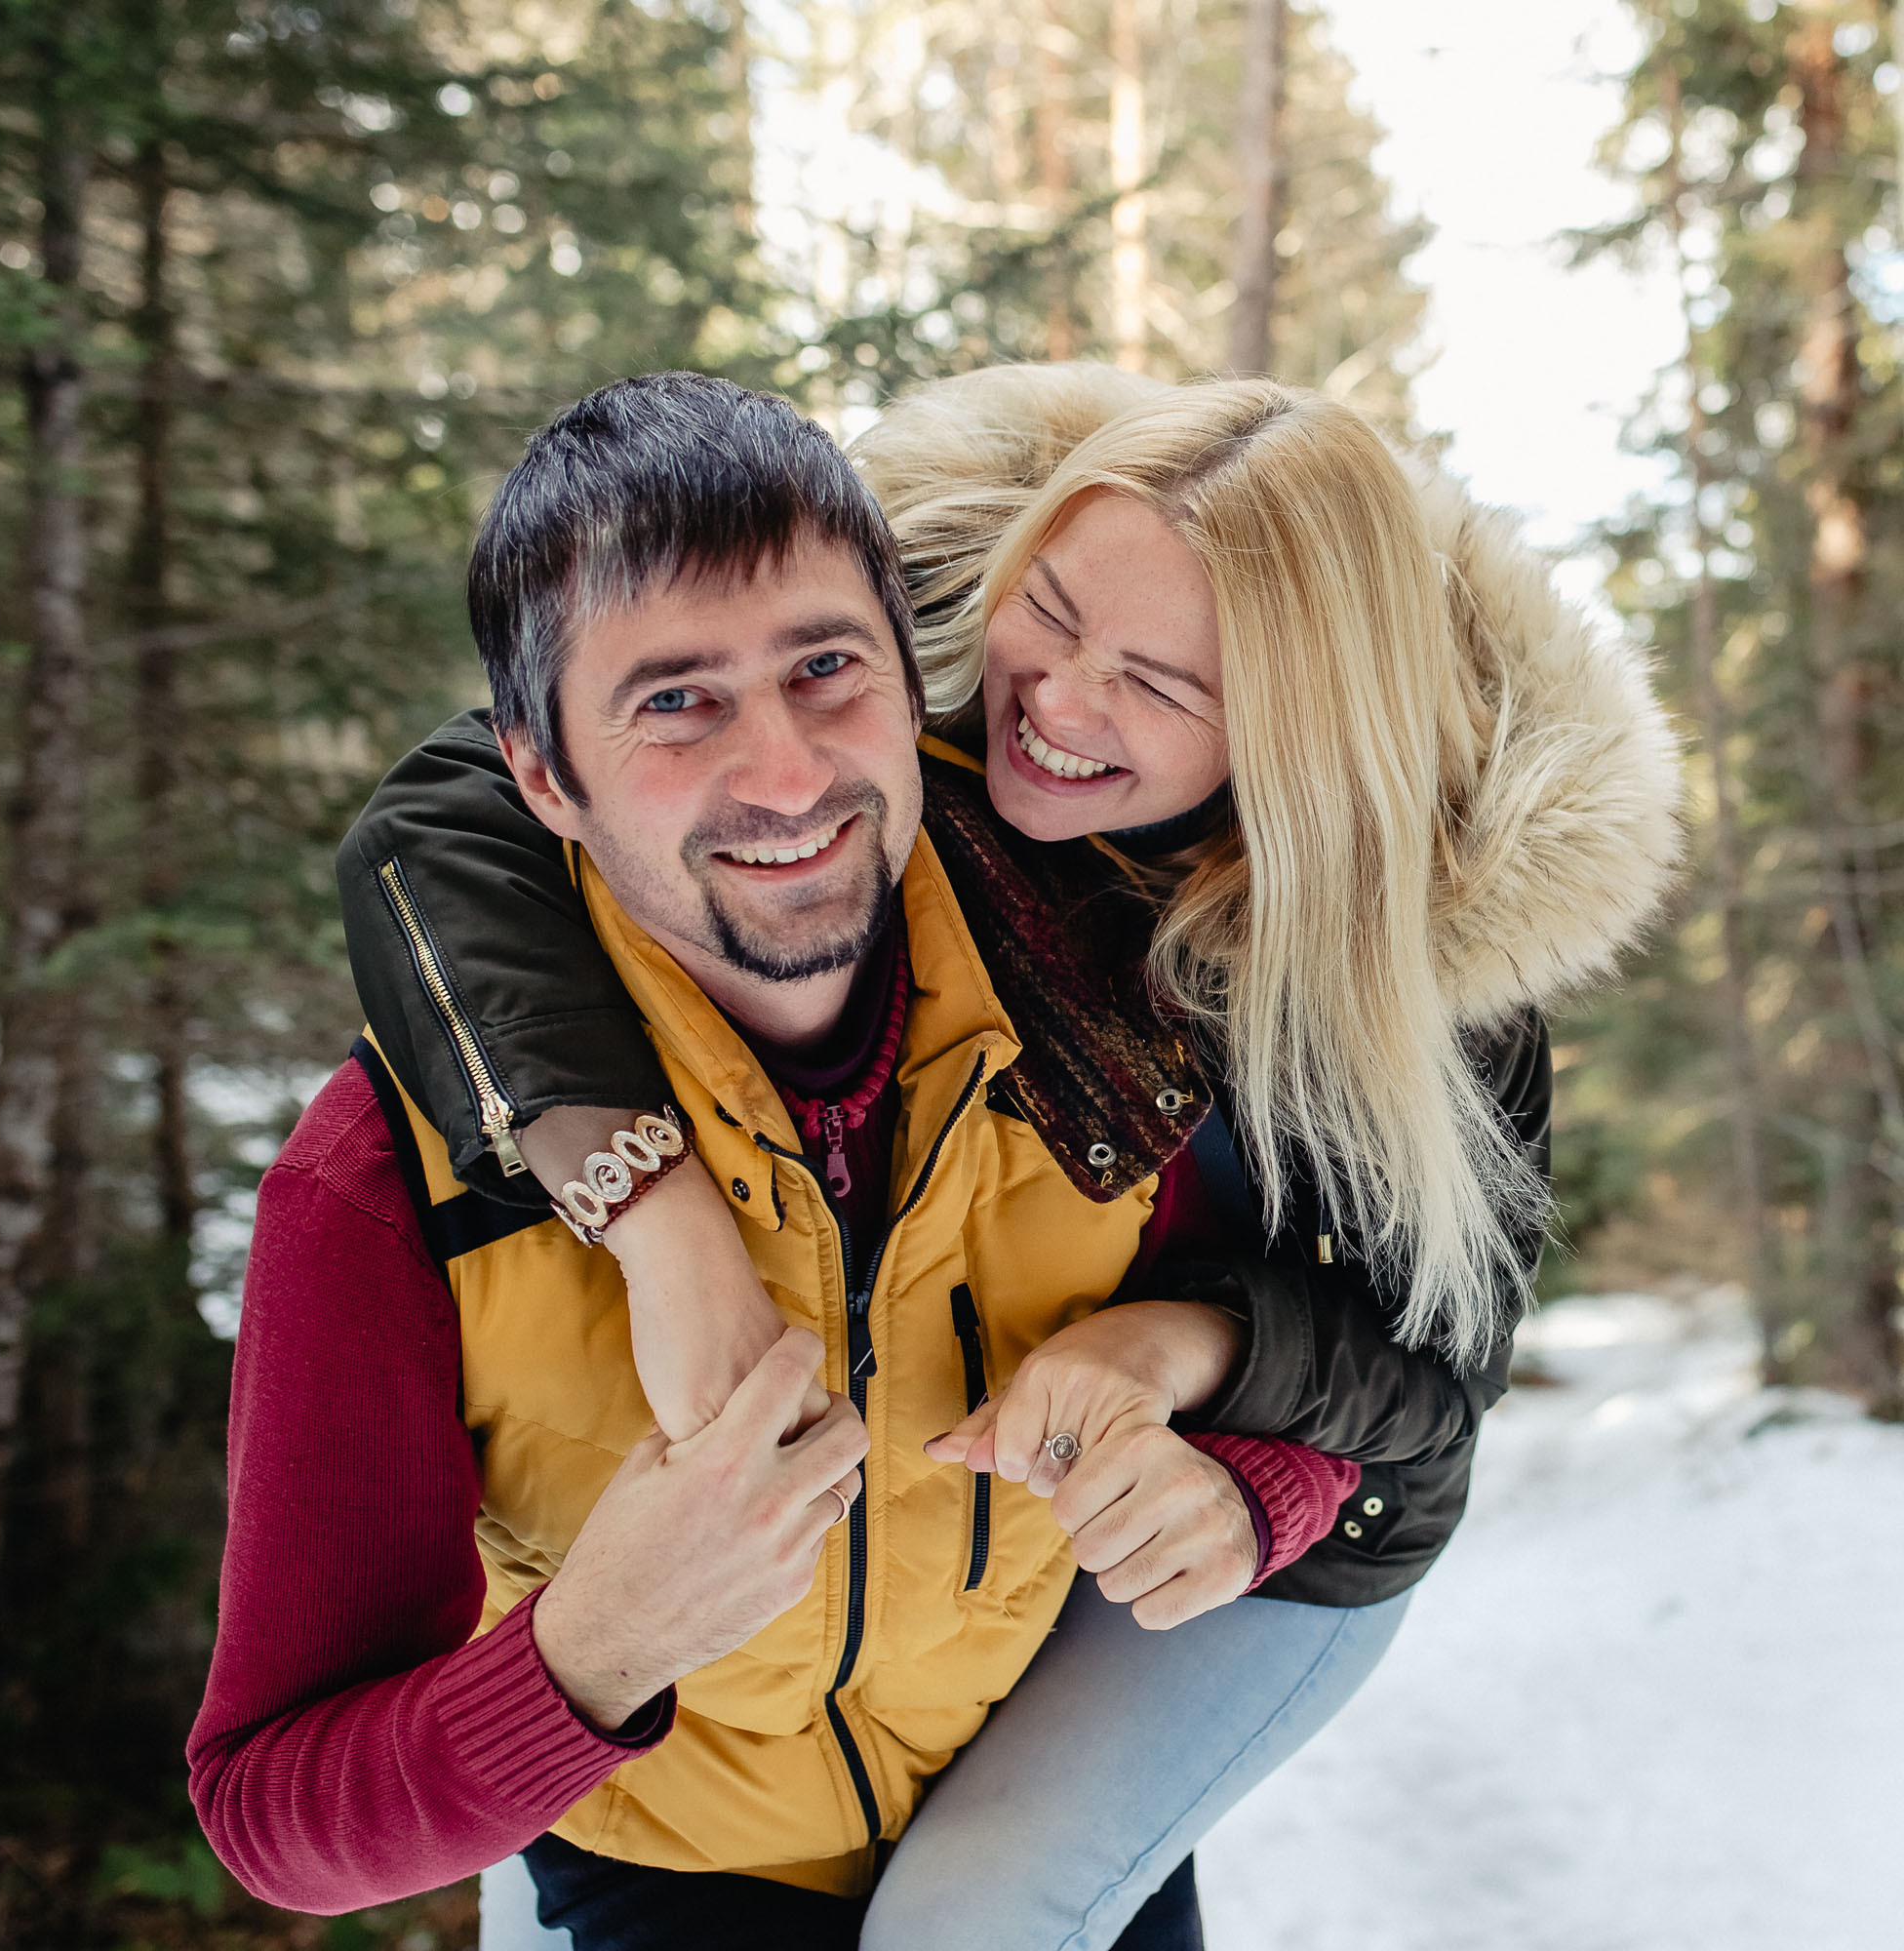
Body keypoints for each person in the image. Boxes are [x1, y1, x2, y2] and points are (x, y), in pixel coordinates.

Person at [333, 365, 1682, 1948]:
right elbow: (443, 820)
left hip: (1246, 1549)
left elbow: (1428, 1386)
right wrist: (662, 1219)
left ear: (1305, 733)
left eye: (1162, 684)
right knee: (578, 1855)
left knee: (980, 1914)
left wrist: (1198, 1381)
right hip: (944, 1495)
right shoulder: (898, 693)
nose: (1061, 700)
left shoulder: (1438, 980)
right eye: (1055, 612)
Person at [187, 374, 1369, 1951]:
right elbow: (275, 1811)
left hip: (1028, 1819)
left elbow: (1349, 1349)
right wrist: (592, 1650)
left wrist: (1240, 1487)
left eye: (826, 668)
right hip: (660, 1876)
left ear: (910, 673)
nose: (790, 773)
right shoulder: (386, 1183)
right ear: (542, 775)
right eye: (674, 703)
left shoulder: (1121, 1018)